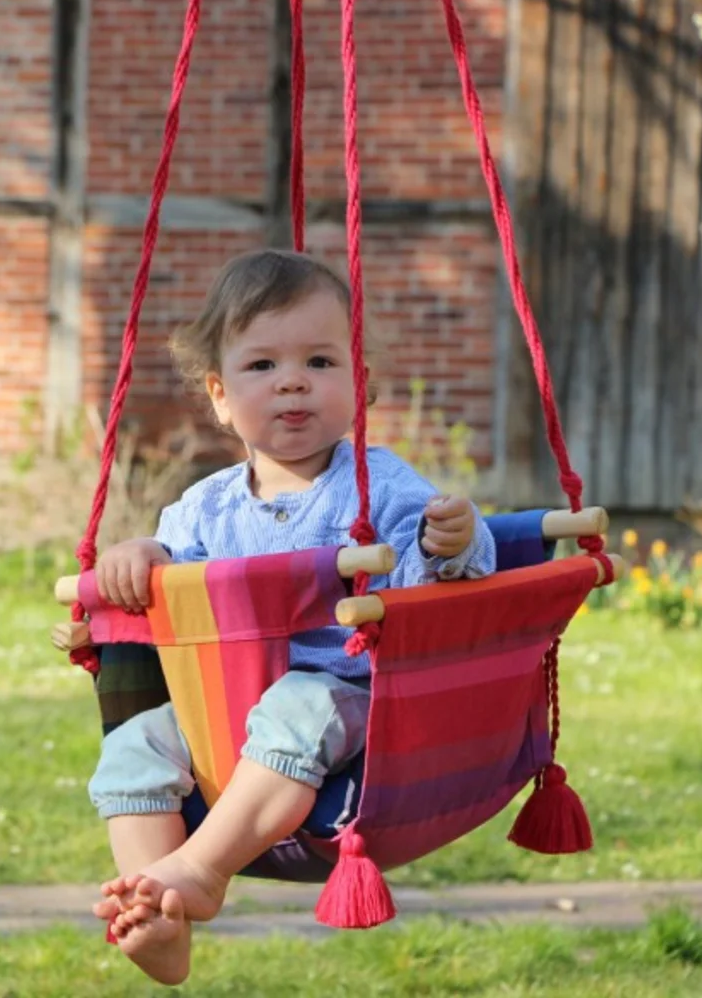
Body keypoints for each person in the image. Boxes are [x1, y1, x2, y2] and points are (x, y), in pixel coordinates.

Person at [87, 249, 496, 984]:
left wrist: (455, 540)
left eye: (319, 361)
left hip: (351, 698)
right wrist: (140, 553)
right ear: (219, 395)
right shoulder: (203, 507)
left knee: (296, 705)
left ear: (358, 382)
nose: (292, 380)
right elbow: (171, 576)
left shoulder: (379, 483)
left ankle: (200, 870)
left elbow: (437, 572)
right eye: (262, 365)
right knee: (134, 745)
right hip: (223, 710)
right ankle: (155, 909)